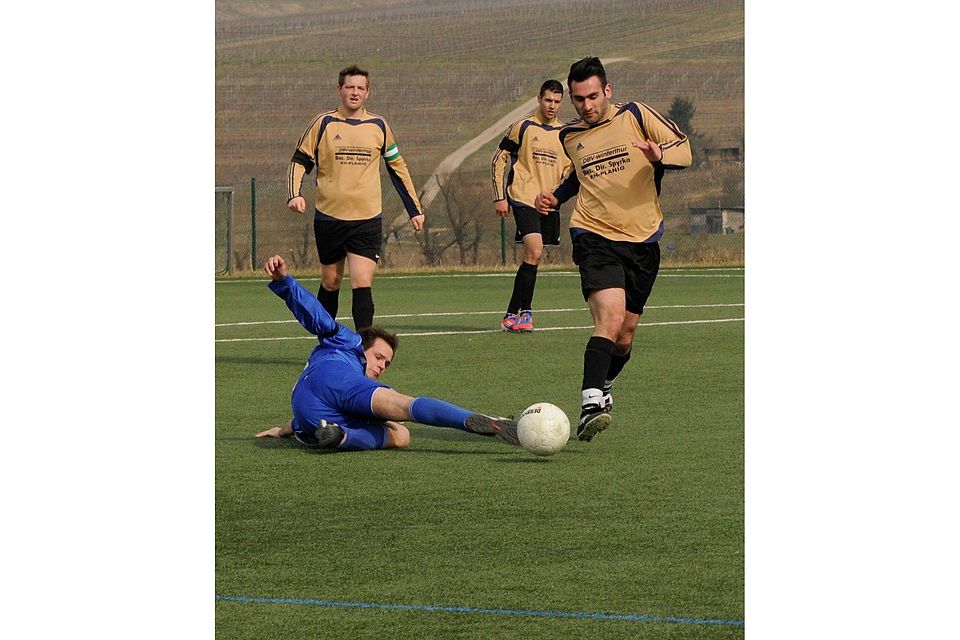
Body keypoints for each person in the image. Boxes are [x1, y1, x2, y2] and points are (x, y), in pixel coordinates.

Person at [535, 57, 691, 442]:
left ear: (607, 90)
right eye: (578, 99)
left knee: (625, 335)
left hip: (643, 240)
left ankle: (603, 385)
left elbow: (684, 151)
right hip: (593, 235)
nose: (586, 106)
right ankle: (590, 402)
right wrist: (556, 197)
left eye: (592, 96)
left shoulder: (637, 115)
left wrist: (659, 156)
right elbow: (578, 176)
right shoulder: (569, 136)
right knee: (610, 318)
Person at [254, 255, 520, 451]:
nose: (381, 366)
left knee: (401, 435)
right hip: (338, 387)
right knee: (404, 410)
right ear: (362, 345)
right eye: (379, 357)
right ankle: (477, 420)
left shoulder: (328, 361)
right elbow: (317, 317)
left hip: (317, 420)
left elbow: (306, 409)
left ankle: (341, 437)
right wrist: (286, 283)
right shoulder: (349, 342)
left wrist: (284, 429)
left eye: (387, 363)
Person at [286, 64, 425, 330]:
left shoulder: (379, 125)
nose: (355, 92)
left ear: (367, 93)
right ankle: (327, 345)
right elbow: (299, 160)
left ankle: (363, 348)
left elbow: (398, 168)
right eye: (349, 87)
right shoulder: (323, 122)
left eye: (360, 88)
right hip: (330, 217)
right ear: (339, 89)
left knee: (362, 281)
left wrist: (414, 209)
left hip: (366, 219)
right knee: (331, 281)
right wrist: (294, 194)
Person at [490, 79, 573, 333]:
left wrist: (557, 196)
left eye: (557, 101)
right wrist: (499, 196)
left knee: (532, 258)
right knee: (535, 251)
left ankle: (509, 315)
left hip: (547, 203)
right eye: (548, 100)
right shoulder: (523, 127)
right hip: (522, 197)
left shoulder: (565, 133)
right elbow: (499, 158)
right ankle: (526, 313)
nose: (552, 106)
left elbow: (571, 170)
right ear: (539, 99)